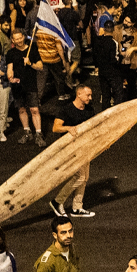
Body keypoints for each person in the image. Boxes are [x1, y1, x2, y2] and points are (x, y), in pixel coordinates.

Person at [50, 86, 95, 217]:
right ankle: (57, 201)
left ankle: (77, 208)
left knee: (84, 178)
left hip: (85, 147)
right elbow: (55, 128)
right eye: (88, 95)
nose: (90, 98)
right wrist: (69, 128)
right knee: (79, 177)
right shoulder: (66, 110)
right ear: (79, 94)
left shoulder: (89, 110)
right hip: (71, 148)